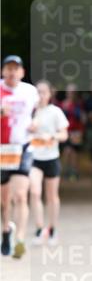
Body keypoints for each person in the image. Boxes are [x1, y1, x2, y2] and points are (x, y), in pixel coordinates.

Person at [1, 55, 38, 259]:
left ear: (22, 72)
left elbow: (39, 112)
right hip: (2, 149)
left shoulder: (30, 91)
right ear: (3, 72)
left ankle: (20, 239)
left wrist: (35, 123)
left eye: (16, 69)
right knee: (4, 200)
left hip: (22, 147)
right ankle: (6, 230)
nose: (12, 72)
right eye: (8, 68)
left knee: (21, 195)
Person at [28, 80, 69, 245]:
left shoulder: (56, 112)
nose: (40, 95)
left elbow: (64, 135)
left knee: (52, 196)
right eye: (38, 92)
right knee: (35, 192)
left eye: (44, 92)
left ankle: (52, 229)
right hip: (33, 158)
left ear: (50, 94)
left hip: (51, 157)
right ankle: (39, 229)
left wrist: (52, 136)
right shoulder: (29, 111)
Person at [60, 84, 85, 179]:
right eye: (69, 92)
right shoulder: (63, 104)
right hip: (66, 131)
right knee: (67, 151)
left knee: (75, 152)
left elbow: (83, 118)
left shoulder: (79, 104)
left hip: (76, 132)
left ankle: (75, 172)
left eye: (73, 92)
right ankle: (66, 171)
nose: (71, 94)